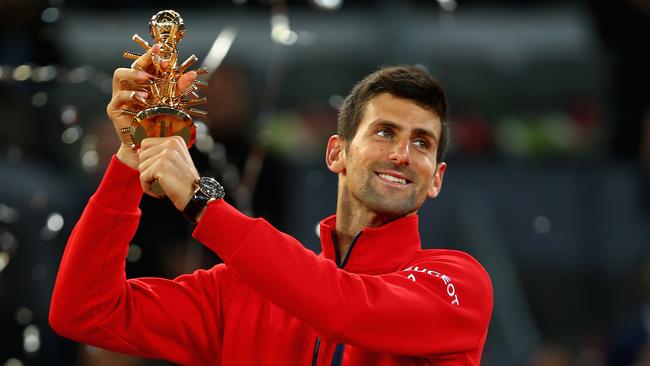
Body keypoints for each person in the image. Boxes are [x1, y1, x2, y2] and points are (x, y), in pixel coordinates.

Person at [49, 44, 493, 365]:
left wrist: (203, 203)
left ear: (436, 178)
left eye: (422, 143)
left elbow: (343, 308)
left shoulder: (456, 283)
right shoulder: (241, 290)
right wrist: (130, 159)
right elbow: (84, 311)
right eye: (384, 132)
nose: (402, 154)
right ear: (336, 152)